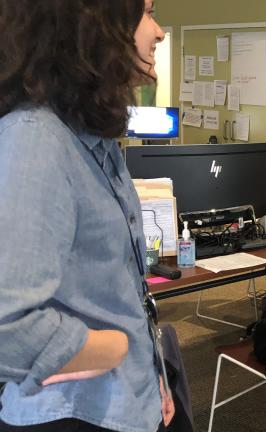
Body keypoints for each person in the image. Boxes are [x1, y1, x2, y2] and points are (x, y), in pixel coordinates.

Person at [0, 1, 174, 431]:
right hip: (75, 413)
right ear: (94, 23)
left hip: (119, 402)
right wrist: (113, 348)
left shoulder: (91, 137)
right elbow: (6, 324)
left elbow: (114, 288)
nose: (159, 32)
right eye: (147, 12)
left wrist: (150, 378)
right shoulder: (37, 138)